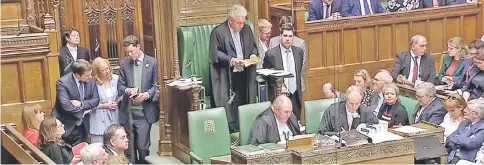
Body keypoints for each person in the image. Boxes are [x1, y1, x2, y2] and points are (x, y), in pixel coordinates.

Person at [209, 5, 258, 133]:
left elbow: (253, 46)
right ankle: (232, 133)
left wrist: (253, 55)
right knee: (231, 109)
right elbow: (215, 54)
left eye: (243, 22)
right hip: (227, 76)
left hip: (245, 74)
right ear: (230, 20)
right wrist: (231, 60)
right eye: (239, 23)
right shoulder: (218, 32)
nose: (241, 25)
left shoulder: (247, 29)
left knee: (245, 103)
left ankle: (245, 131)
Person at [118, 35, 159, 164]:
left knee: (142, 147)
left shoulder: (152, 62)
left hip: (144, 113)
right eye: (127, 52)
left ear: (138, 47)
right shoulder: (125, 63)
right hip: (129, 112)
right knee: (129, 149)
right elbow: (120, 86)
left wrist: (146, 94)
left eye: (132, 51)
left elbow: (156, 85)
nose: (130, 55)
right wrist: (128, 90)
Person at [52, 59, 99, 146]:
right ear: (77, 75)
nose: (90, 77)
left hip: (83, 125)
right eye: (87, 75)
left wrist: (81, 104)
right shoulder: (63, 83)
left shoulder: (91, 81)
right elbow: (66, 105)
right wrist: (83, 110)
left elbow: (96, 100)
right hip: (67, 125)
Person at [263, 24, 304, 120]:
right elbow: (266, 73)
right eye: (285, 36)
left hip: (295, 95)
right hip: (279, 95)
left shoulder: (299, 52)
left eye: (290, 36)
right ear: (280, 36)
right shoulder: (271, 54)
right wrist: (279, 84)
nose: (287, 39)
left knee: (295, 124)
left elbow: (298, 71)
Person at [269, 16, 307, 92]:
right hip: (278, 85)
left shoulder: (300, 43)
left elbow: (302, 65)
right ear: (280, 29)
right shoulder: (273, 42)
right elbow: (271, 64)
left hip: (296, 83)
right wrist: (280, 83)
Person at [90, 57, 120, 143]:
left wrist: (117, 102)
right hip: (99, 117)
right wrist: (105, 105)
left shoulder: (116, 79)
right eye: (103, 70)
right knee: (100, 146)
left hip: (114, 115)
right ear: (97, 72)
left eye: (107, 68)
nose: (107, 71)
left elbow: (121, 95)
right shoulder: (92, 83)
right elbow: (89, 103)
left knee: (115, 141)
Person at [446, 99, 484, 164]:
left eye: (468, 109)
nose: (464, 110)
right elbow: (449, 139)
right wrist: (462, 141)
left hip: (465, 160)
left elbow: (470, 144)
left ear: (476, 114)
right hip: (451, 157)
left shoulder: (482, 127)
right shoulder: (464, 123)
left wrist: (457, 138)